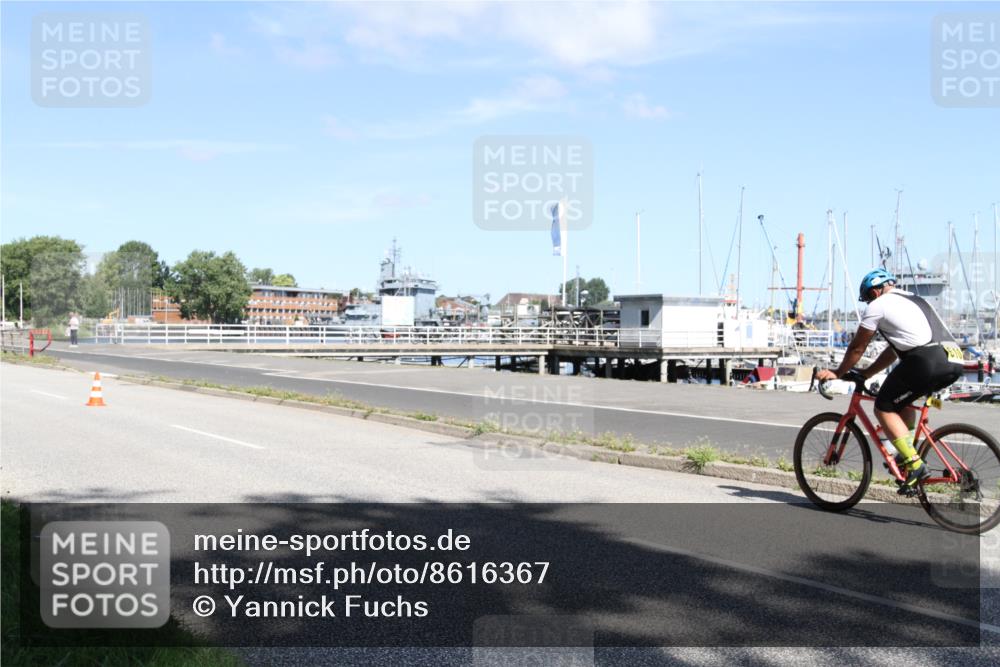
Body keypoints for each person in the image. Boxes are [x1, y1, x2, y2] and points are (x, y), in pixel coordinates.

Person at [816, 268, 963, 493]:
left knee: (883, 407)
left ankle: (914, 464)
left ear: (875, 291)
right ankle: (908, 456)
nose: (867, 303)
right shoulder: (913, 299)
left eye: (866, 298)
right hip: (953, 359)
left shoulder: (878, 305)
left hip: (926, 360)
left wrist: (837, 372)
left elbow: (857, 347)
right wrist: (866, 374)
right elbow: (893, 352)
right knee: (901, 402)